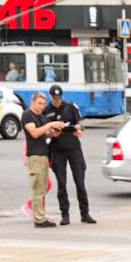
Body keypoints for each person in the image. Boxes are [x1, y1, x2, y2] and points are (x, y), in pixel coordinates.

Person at [45, 84, 94, 226]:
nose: (57, 101)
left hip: (74, 148)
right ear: (50, 97)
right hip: (57, 149)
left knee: (80, 182)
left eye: (59, 98)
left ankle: (85, 214)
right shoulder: (47, 111)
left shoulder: (70, 106)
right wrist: (52, 132)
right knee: (62, 184)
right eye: (55, 99)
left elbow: (80, 123)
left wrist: (78, 129)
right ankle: (65, 215)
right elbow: (44, 131)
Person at [22, 92, 62, 229]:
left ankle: (41, 215)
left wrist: (54, 132)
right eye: (39, 103)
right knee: (38, 188)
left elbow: (44, 133)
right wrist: (50, 124)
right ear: (32, 102)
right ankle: (39, 219)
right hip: (35, 155)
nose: (41, 106)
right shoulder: (28, 115)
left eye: (43, 104)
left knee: (43, 187)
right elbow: (34, 133)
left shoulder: (41, 117)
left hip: (44, 155)